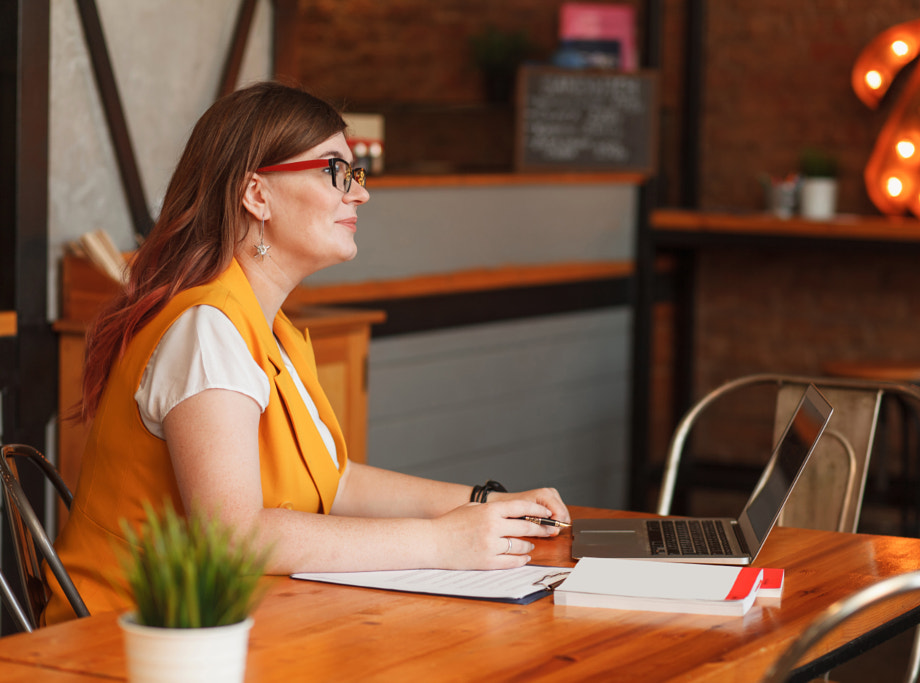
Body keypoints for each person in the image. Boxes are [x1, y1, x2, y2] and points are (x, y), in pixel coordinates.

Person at [45, 81, 570, 624]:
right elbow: (235, 538)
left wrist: (480, 505)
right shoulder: (208, 328)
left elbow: (334, 481)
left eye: (356, 173)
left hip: (214, 629)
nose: (360, 193)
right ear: (256, 194)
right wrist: (440, 543)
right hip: (124, 643)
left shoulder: (270, 329)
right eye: (335, 172)